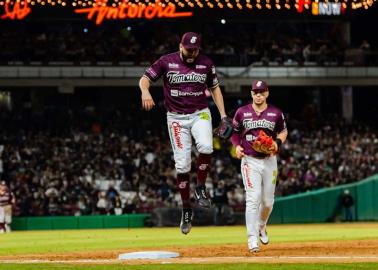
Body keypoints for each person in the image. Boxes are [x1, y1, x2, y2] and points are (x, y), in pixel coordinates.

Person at [139, 32, 229, 235]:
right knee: (182, 165)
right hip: (176, 118)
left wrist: (223, 115)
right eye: (189, 49)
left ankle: (201, 187)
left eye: (196, 49)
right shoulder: (166, 61)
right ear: (181, 46)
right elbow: (144, 79)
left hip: (200, 114)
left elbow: (215, 90)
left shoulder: (206, 63)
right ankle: (186, 208)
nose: (192, 53)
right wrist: (145, 91)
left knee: (206, 146)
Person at [230, 80, 288, 252]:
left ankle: (262, 225)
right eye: (256, 92)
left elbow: (283, 131)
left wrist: (277, 143)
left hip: (270, 160)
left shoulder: (275, 113)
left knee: (268, 202)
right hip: (249, 160)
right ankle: (252, 238)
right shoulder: (242, 112)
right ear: (251, 94)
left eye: (262, 92)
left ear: (267, 93)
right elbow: (234, 132)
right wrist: (237, 146)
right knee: (252, 198)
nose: (259, 95)